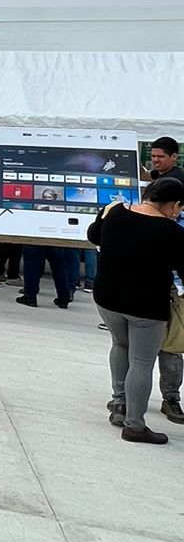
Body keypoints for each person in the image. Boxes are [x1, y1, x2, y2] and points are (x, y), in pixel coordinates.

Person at [88, 177, 184, 444]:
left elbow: (93, 236)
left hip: (107, 298)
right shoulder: (172, 232)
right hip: (146, 306)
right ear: (173, 205)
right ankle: (135, 425)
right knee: (142, 361)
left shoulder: (115, 212)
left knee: (120, 345)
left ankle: (120, 405)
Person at [143, 137, 184, 420]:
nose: (155, 160)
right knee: (138, 348)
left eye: (160, 156)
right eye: (153, 156)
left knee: (169, 346)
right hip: (145, 281)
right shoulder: (154, 177)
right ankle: (126, 398)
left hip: (171, 284)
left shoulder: (179, 183)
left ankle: (171, 398)